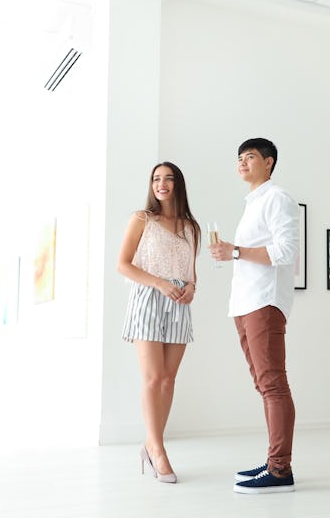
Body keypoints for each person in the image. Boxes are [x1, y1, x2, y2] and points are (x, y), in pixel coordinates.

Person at [209, 138, 299, 494]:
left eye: (250, 157)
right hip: (245, 304)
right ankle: (274, 460)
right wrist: (234, 253)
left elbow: (286, 250)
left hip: (264, 302)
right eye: (239, 158)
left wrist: (235, 251)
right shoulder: (253, 203)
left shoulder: (278, 198)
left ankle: (280, 469)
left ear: (269, 162)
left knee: (273, 384)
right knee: (265, 385)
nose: (242, 163)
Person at [118, 161, 200, 484]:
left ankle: (151, 444)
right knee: (153, 378)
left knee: (168, 380)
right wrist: (159, 283)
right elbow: (123, 265)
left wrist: (191, 288)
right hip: (148, 299)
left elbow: (192, 272)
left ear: (178, 184)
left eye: (167, 179)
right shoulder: (142, 219)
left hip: (179, 305)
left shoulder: (191, 227)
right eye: (156, 179)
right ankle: (157, 448)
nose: (161, 184)